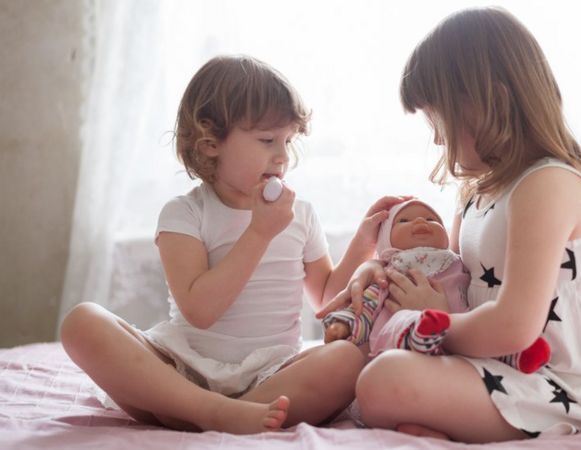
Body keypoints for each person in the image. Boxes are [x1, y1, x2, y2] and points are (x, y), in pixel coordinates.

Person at [317, 7, 581, 443]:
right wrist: (380, 271)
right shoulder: (476, 195)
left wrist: (429, 319)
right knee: (371, 375)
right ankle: (452, 423)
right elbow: (454, 281)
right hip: (498, 368)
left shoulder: (547, 184)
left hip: (563, 388)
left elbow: (514, 326)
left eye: (438, 120)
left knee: (381, 380)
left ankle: (456, 423)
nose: (439, 140)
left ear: (489, 103)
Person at [60, 55, 406, 435]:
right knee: (83, 322)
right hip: (183, 369)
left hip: (271, 376)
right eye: (267, 140)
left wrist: (363, 242)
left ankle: (209, 413)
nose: (282, 156)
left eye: (288, 140)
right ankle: (209, 410)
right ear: (210, 144)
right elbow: (200, 311)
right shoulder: (185, 213)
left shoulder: (301, 214)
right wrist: (258, 234)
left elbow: (325, 301)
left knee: (348, 359)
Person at [322, 199, 550, 374]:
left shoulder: (460, 262)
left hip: (460, 335)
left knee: (486, 330)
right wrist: (346, 324)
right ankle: (423, 333)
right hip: (401, 347)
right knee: (404, 320)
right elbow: (368, 303)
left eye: (432, 220)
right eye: (404, 221)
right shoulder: (388, 270)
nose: (421, 222)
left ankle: (517, 352)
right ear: (386, 243)